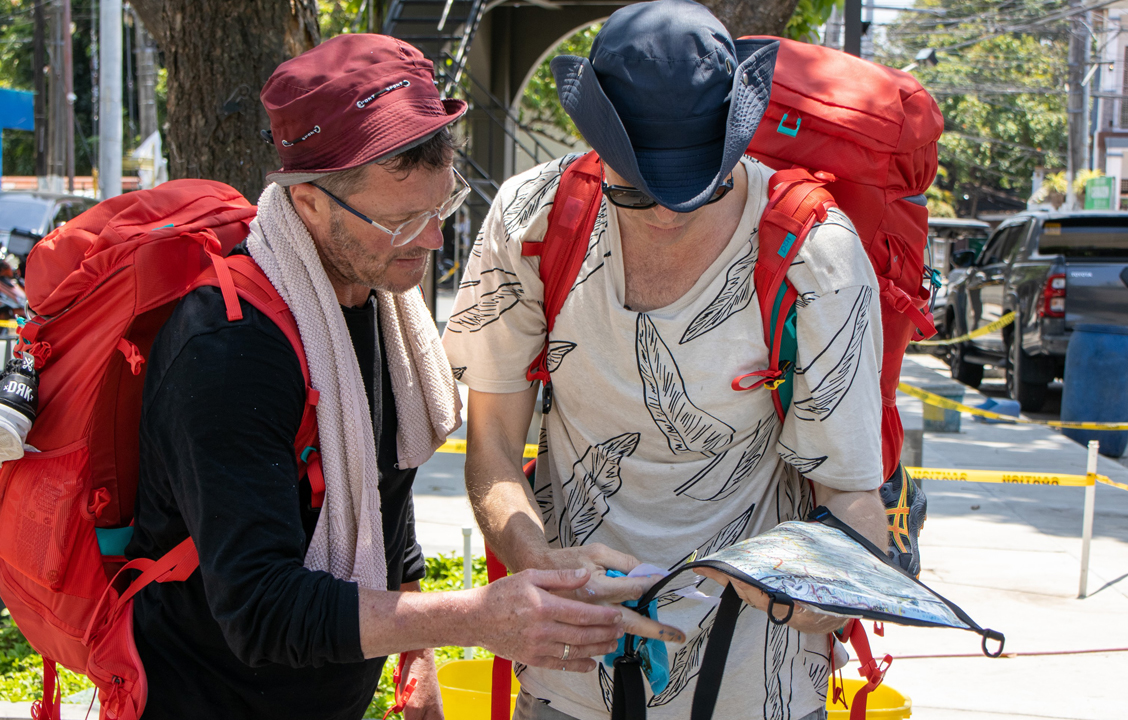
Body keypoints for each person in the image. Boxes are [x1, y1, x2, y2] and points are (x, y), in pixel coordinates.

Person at [125, 34, 680, 720]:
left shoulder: (377, 302)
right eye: (399, 221)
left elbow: (381, 487)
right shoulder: (230, 349)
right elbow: (260, 612)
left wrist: (416, 659)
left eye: (441, 209)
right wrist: (474, 615)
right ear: (308, 205)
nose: (430, 241)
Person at [443, 2, 889, 719]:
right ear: (594, 138)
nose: (667, 214)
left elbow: (852, 500)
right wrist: (535, 560)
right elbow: (492, 447)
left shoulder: (815, 252)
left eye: (700, 184)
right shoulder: (533, 215)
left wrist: (817, 598)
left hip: (755, 685)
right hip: (570, 672)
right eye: (637, 187)